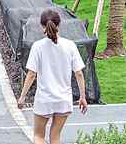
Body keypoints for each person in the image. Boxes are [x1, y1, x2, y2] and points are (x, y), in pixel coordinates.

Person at [17, 9, 88, 144]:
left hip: (44, 99)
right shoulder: (70, 45)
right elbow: (78, 73)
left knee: (38, 136)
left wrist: (22, 97)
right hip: (63, 99)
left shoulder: (37, 47)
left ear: (42, 26)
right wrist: (82, 97)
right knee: (55, 138)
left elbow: (32, 74)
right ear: (59, 25)